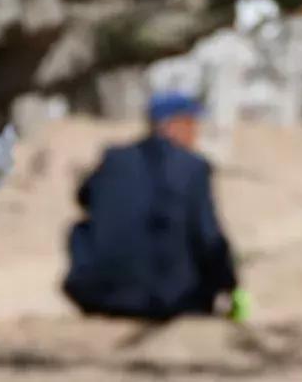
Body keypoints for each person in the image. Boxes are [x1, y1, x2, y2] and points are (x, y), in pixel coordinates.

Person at [63, 92, 245, 322]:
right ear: (172, 125)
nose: (195, 133)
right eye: (191, 124)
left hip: (103, 298)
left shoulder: (113, 159)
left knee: (81, 227)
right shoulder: (193, 168)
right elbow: (209, 238)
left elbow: (84, 199)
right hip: (175, 301)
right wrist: (229, 286)